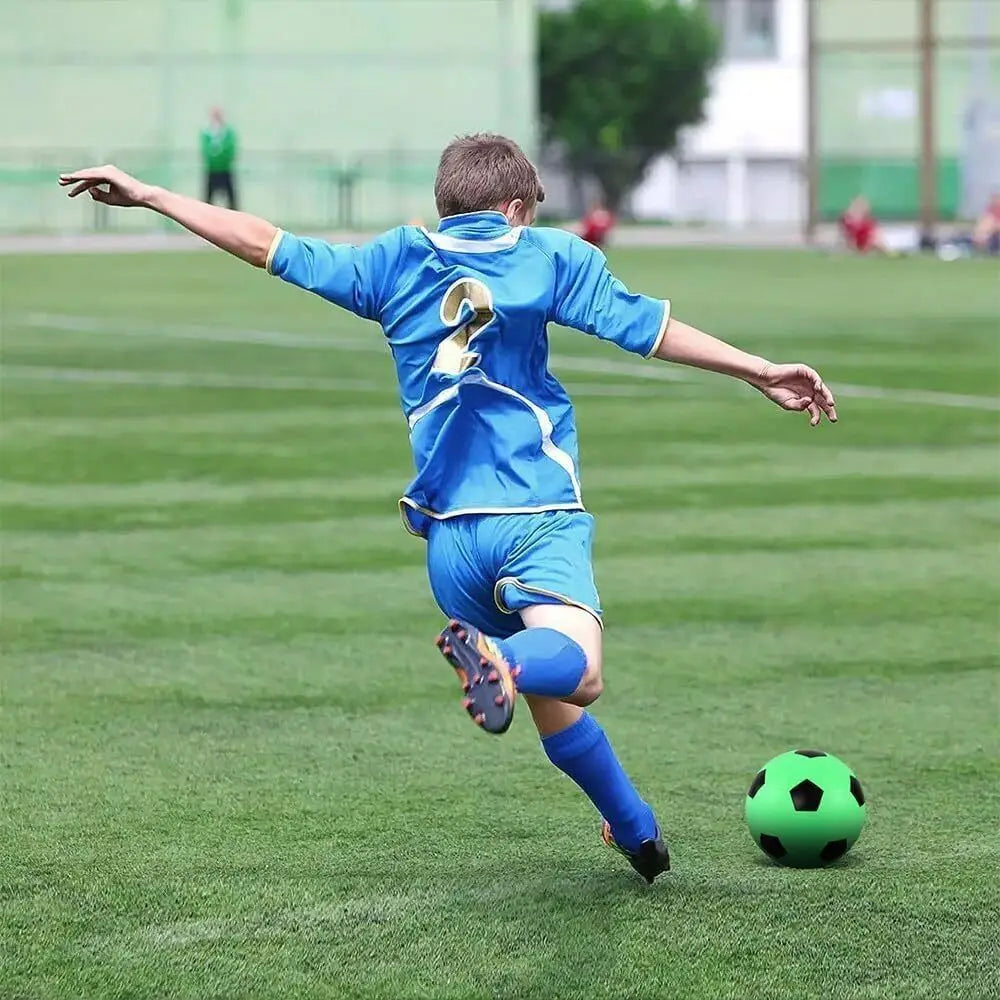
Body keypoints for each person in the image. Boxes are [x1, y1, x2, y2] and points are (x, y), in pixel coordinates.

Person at [58, 135, 836, 884]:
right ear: (516, 206)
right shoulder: (551, 256)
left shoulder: (394, 261)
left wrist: (154, 194)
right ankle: (503, 662)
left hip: (450, 544)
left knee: (554, 712)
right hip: (533, 514)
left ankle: (635, 833)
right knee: (579, 672)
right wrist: (757, 368)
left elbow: (266, 242)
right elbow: (651, 330)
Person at [200, 107, 238, 210]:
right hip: (212, 170)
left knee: (231, 201)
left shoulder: (228, 132)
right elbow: (205, 150)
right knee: (208, 199)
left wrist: (219, 152)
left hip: (225, 170)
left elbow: (231, 149)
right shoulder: (207, 132)